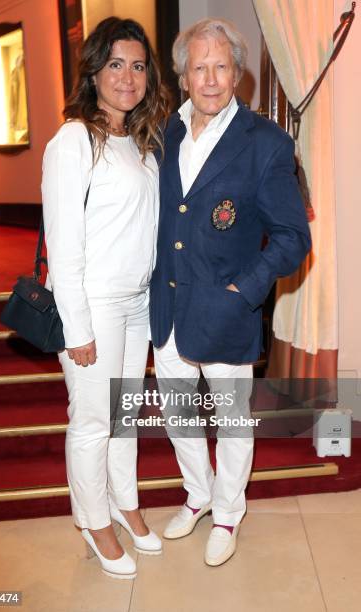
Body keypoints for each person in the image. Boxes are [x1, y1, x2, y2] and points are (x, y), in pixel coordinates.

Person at [150, 18, 311, 567]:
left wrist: (245, 290)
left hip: (226, 311)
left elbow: (293, 237)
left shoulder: (265, 142)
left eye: (222, 66)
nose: (211, 78)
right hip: (168, 308)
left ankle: (227, 512)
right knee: (179, 416)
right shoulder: (165, 132)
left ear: (238, 74)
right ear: (183, 76)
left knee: (232, 422)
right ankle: (198, 494)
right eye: (200, 66)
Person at [42, 17, 170, 579]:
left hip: (136, 302)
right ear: (93, 71)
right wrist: (78, 328)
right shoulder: (73, 140)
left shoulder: (139, 141)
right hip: (92, 302)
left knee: (123, 418)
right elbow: (65, 244)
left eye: (138, 65)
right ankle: (94, 521)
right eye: (115, 64)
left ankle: (126, 503)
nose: (127, 76)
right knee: (92, 420)